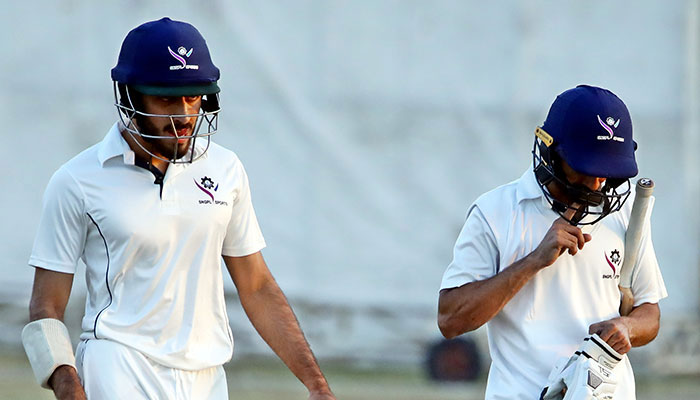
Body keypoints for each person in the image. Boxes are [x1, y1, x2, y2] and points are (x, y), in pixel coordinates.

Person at [22, 17, 335, 400]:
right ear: (131, 97)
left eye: (193, 97)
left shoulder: (226, 169)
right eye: (166, 99)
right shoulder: (76, 180)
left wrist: (316, 385)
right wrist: (67, 384)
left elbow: (256, 286)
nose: (184, 115)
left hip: (206, 376)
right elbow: (46, 305)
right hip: (118, 365)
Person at [437, 85, 667, 399]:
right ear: (551, 152)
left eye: (607, 172)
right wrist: (533, 261)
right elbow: (450, 320)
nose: (596, 184)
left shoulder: (627, 213)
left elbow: (649, 313)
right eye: (585, 168)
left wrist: (627, 328)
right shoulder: (494, 212)